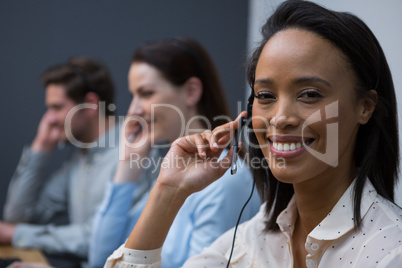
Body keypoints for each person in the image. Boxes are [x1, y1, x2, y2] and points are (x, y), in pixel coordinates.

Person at [104, 1, 402, 267]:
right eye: (265, 95)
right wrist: (168, 191)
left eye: (310, 94)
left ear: (365, 107)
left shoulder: (389, 251)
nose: (281, 117)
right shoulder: (254, 238)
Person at [89, 37, 261, 268]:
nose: (133, 110)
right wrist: (128, 162)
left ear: (191, 92)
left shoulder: (224, 181)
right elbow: (102, 258)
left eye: (146, 93)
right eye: (133, 95)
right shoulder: (172, 168)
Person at [1, 56, 119, 265]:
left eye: (57, 107)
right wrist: (40, 148)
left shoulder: (135, 155)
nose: (49, 119)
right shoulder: (77, 163)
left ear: (91, 104)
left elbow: (100, 241)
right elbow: (17, 217)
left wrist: (16, 233)